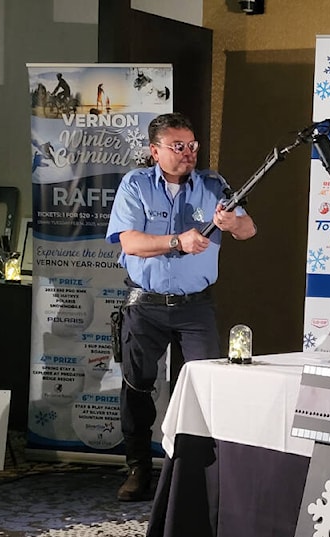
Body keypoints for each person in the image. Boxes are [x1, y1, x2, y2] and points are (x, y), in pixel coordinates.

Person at [106, 112, 257, 501]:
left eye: (192, 145)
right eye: (178, 146)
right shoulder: (135, 185)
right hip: (146, 305)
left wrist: (229, 224)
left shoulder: (213, 183)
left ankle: (194, 473)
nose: (188, 152)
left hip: (195, 308)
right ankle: (138, 468)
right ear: (155, 151)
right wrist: (177, 241)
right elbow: (130, 243)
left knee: (205, 386)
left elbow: (248, 230)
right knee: (136, 388)